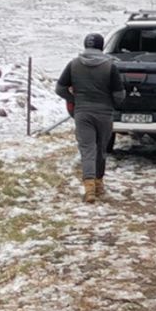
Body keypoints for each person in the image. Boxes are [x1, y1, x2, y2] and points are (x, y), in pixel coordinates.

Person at [56, 33, 123, 202]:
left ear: (85, 45)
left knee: (87, 150)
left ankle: (89, 189)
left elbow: (60, 88)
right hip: (104, 113)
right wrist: (112, 103)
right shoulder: (110, 67)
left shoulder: (73, 64)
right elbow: (119, 95)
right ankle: (99, 183)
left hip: (83, 113)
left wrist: (75, 100)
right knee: (101, 149)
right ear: (101, 47)